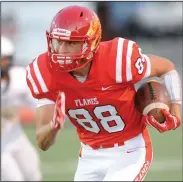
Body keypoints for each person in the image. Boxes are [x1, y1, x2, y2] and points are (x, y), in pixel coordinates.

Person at [26, 5, 182, 181]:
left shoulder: (117, 60)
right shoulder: (44, 72)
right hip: (89, 155)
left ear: (90, 43)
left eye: (71, 43)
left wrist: (175, 111)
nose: (61, 50)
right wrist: (53, 128)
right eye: (58, 41)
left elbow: (167, 68)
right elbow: (42, 142)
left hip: (129, 150)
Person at [1, 36, 42, 181]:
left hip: (16, 137)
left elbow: (36, 103)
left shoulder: (18, 78)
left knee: (33, 174)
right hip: (1, 147)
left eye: (4, 60)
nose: (2, 65)